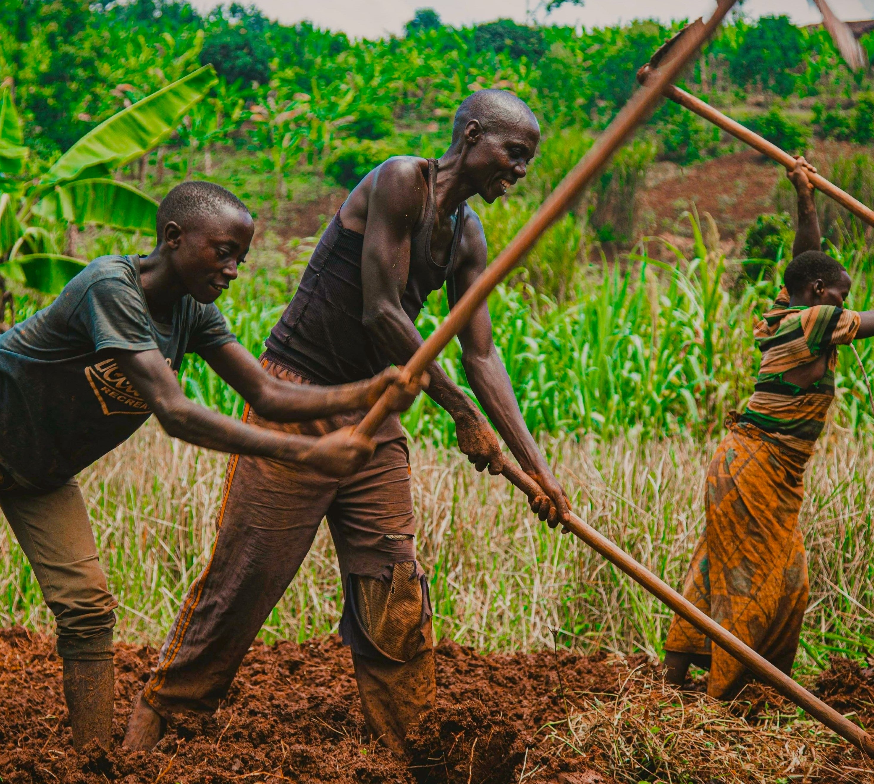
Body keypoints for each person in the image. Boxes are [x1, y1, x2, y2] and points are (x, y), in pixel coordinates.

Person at [0, 181, 424, 778]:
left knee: (89, 610)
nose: (232, 270)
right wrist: (309, 455)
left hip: (38, 466)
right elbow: (175, 412)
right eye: (222, 252)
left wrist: (366, 390)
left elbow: (267, 391)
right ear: (173, 239)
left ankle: (95, 769)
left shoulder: (192, 312)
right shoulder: (109, 288)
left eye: (240, 259)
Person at [124, 90, 572, 756]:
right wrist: (458, 414)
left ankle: (411, 751)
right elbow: (383, 313)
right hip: (299, 400)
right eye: (513, 153)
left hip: (377, 416)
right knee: (245, 579)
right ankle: (146, 740)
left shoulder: (468, 236)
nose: (519, 171)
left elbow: (480, 351)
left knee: (393, 585)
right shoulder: (398, 182)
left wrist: (537, 469)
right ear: (472, 135)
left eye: (528, 161)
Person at [662, 159, 874, 698]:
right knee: (754, 579)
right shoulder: (814, 320)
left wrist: (805, 196)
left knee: (766, 573)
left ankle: (682, 679)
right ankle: (715, 706)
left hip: (747, 465)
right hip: (757, 468)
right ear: (819, 293)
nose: (845, 304)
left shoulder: (788, 311)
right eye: (841, 293)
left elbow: (803, 258)